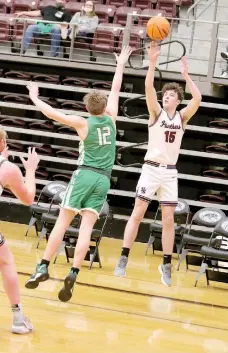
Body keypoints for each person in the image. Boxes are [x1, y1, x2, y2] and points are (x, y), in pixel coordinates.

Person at [25, 46, 132, 302]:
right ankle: (74, 271)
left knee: (62, 223)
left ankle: (43, 266)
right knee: (86, 229)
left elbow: (52, 114)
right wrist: (120, 64)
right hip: (103, 180)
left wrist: (34, 97)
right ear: (105, 106)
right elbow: (116, 88)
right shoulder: (112, 118)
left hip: (84, 175)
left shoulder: (83, 122)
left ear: (87, 106)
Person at [114, 42, 202, 286]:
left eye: (171, 95)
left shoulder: (183, 117)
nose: (166, 97)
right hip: (151, 169)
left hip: (170, 173)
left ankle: (165, 264)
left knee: (168, 219)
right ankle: (123, 257)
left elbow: (198, 97)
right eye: (165, 94)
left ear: (178, 100)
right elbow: (148, 87)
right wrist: (152, 63)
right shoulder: (156, 113)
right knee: (138, 212)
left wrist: (186, 75)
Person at [0, 128, 40, 333]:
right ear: (1, 143)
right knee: (6, 262)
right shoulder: (7, 168)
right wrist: (30, 170)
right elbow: (28, 198)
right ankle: (18, 319)